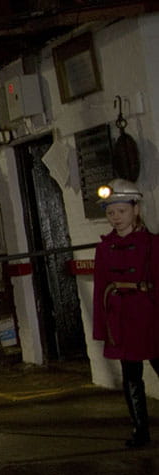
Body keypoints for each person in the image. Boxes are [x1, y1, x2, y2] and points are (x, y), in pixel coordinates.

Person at [92, 178, 159, 448]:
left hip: (149, 314)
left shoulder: (152, 244)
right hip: (120, 318)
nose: (115, 217)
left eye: (121, 211)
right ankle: (140, 430)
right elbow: (100, 290)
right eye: (110, 212)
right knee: (131, 376)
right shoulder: (104, 248)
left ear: (135, 209)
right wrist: (103, 327)